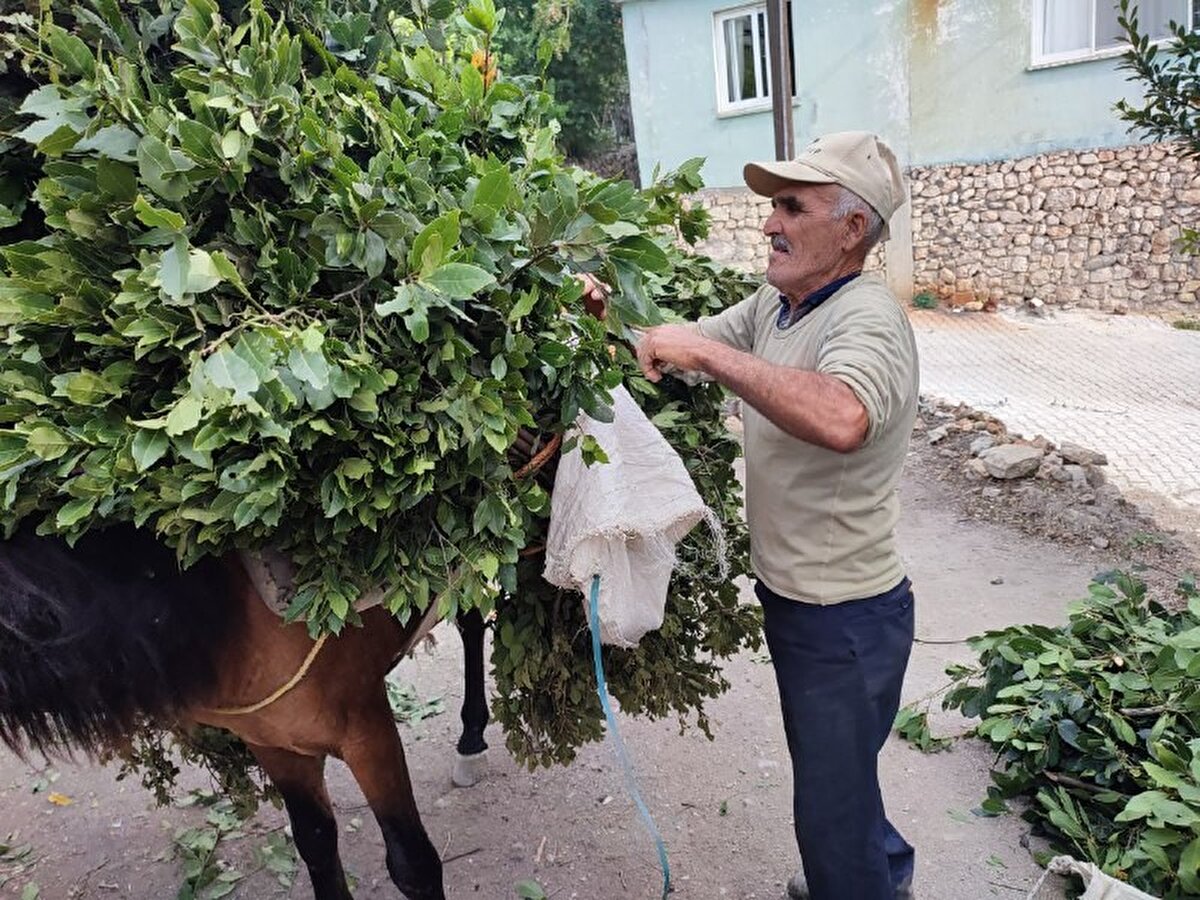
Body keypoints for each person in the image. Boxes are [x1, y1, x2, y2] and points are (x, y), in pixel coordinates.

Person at [582, 131, 919, 900]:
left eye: (793, 207)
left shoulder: (867, 320)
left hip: (846, 617)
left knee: (827, 815)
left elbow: (841, 416)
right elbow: (681, 345)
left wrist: (711, 361)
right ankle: (882, 872)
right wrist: (611, 321)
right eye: (772, 206)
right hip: (807, 604)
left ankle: (856, 884)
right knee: (840, 775)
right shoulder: (783, 302)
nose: (770, 222)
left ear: (852, 229)